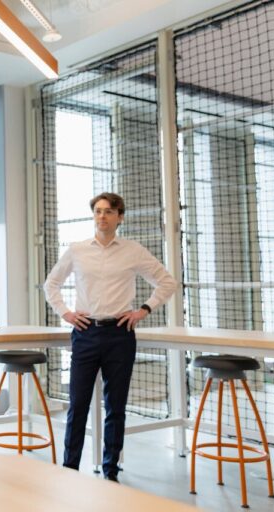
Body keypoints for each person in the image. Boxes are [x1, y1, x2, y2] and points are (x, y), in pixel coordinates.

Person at [43, 192, 176, 482]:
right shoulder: (77, 250)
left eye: (108, 212)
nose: (102, 216)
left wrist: (143, 310)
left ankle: (111, 471)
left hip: (120, 335)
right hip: (85, 333)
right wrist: (66, 313)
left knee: (116, 408)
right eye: (98, 211)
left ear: (120, 217)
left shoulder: (133, 251)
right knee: (78, 405)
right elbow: (51, 284)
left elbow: (167, 282)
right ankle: (70, 469)